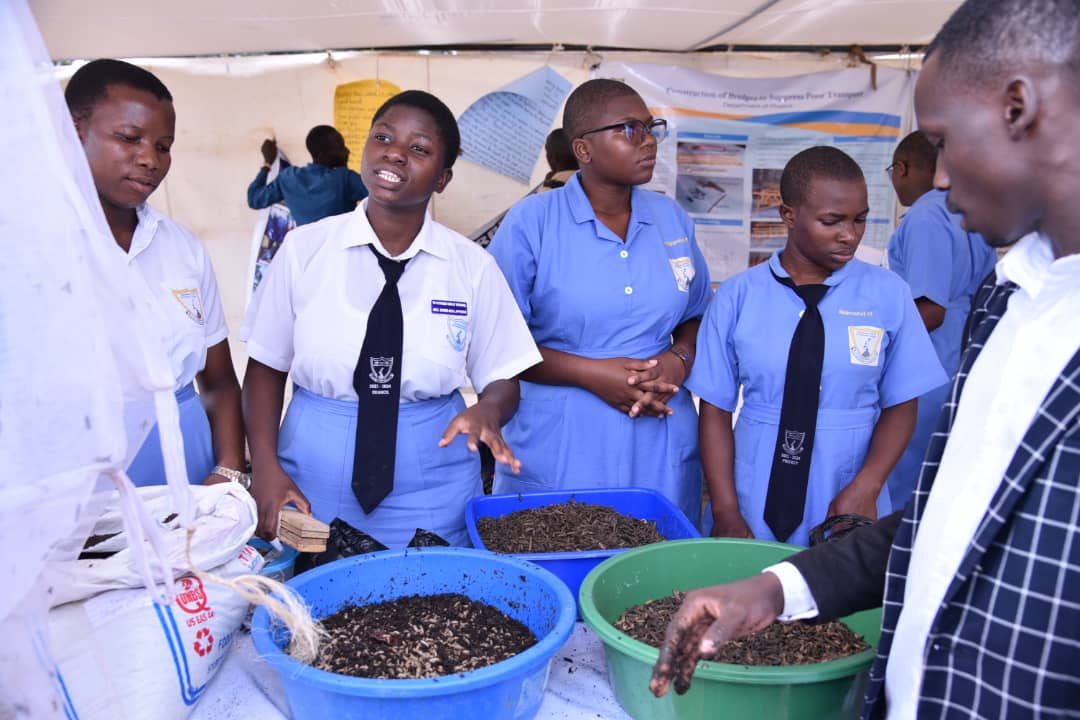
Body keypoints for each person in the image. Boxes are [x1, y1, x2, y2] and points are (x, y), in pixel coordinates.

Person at [650, 1, 1080, 717]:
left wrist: (861, 489)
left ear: (1018, 107)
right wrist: (777, 588)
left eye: (943, 141)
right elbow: (948, 524)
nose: (936, 180)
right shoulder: (1012, 302)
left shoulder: (894, 297)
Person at [241, 90, 541, 548]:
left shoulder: (471, 267)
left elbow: (503, 377)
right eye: (383, 138)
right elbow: (264, 368)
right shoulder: (305, 251)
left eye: (419, 148)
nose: (395, 154)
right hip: (311, 478)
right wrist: (264, 466)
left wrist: (488, 409)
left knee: (432, 606)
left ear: (442, 178)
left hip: (432, 481)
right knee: (314, 606)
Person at [689, 146, 944, 547]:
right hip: (755, 486)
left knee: (837, 601)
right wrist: (725, 508)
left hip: (848, 486)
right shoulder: (739, 296)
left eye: (860, 220)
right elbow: (716, 410)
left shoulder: (888, 295)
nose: (850, 235)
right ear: (788, 215)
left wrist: (867, 487)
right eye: (832, 221)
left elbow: (901, 404)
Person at [486, 78, 711, 526]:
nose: (649, 141)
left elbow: (699, 312)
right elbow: (497, 341)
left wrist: (678, 360)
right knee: (563, 557)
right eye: (630, 129)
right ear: (583, 150)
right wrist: (593, 375)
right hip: (565, 440)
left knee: (658, 580)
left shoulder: (670, 218)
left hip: (659, 436)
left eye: (651, 128)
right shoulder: (534, 223)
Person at [66, 59, 246, 488]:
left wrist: (227, 468)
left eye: (163, 146)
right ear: (74, 132)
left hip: (189, 462)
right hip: (75, 475)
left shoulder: (183, 248)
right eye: (129, 138)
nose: (150, 159)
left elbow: (219, 382)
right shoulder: (30, 248)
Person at [883, 131, 996, 508]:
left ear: (903, 168)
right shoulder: (966, 208)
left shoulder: (927, 215)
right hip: (960, 358)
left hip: (927, 366)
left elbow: (930, 309)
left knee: (902, 487)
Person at [246, 125, 368, 226]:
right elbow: (382, 199)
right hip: (340, 250)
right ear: (322, 155)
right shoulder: (345, 179)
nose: (347, 151)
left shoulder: (289, 178)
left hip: (305, 252)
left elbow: (255, 199)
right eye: (340, 148)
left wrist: (267, 163)